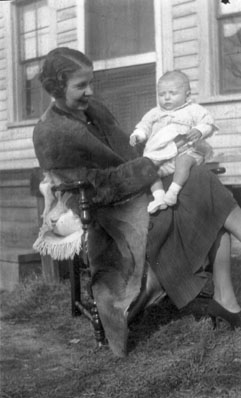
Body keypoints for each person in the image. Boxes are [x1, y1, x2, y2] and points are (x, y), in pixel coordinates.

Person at [33, 47, 241, 357]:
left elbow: (129, 151)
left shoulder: (95, 109)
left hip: (140, 188)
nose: (90, 91)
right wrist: (151, 168)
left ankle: (226, 300)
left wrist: (174, 149)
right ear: (56, 86)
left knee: (199, 177)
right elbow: (93, 188)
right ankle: (226, 299)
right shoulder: (49, 132)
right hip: (108, 213)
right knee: (203, 187)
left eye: (91, 82)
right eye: (81, 86)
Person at [130, 70, 217, 213]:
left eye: (172, 93)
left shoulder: (193, 109)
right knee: (149, 171)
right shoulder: (155, 113)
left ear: (187, 95)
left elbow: (208, 123)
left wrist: (199, 130)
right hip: (161, 157)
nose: (166, 98)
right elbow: (144, 125)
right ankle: (159, 197)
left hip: (185, 151)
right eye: (162, 94)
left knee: (184, 161)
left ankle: (173, 191)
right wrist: (139, 134)